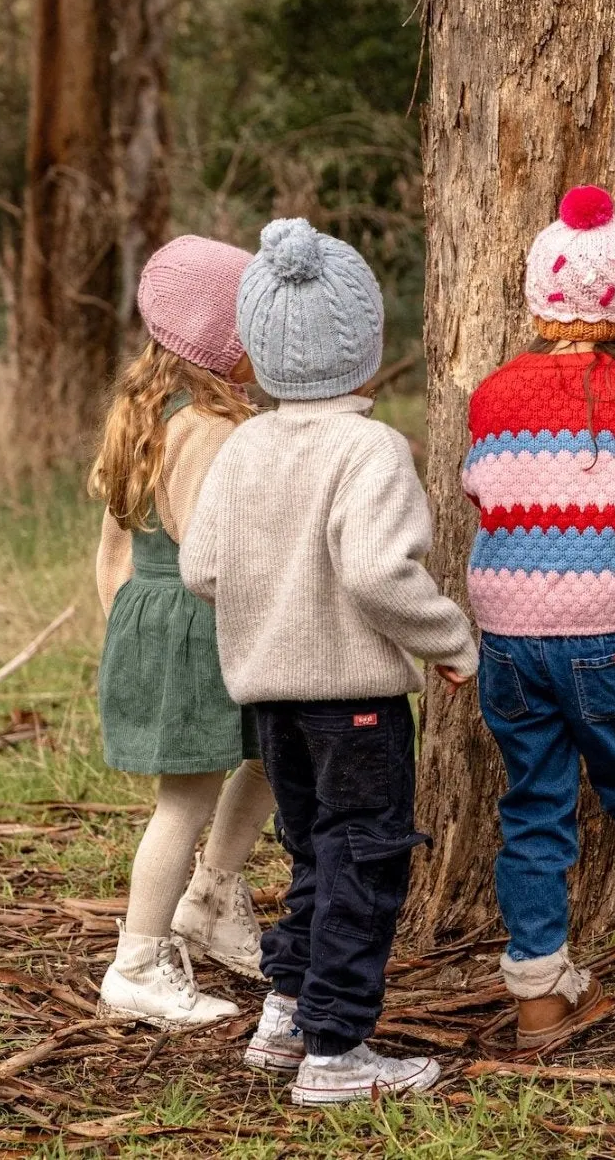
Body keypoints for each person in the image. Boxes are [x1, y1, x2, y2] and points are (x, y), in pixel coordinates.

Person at [181, 218, 476, 1105]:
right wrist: (451, 641)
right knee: (365, 858)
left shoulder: (243, 447)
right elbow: (380, 574)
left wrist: (268, 607)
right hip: (354, 700)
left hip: (271, 704)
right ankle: (340, 1049)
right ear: (362, 348)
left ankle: (289, 1009)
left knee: (314, 853)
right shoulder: (369, 448)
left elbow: (201, 567)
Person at [462, 184, 615, 1049]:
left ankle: (537, 994)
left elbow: (476, 485)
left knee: (533, 807)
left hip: (509, 640)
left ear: (540, 296)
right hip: (607, 636)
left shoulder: (491, 398)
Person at [91, 234, 276, 1030]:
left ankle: (212, 894)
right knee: (187, 795)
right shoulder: (208, 426)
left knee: (270, 748)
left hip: (150, 614)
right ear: (226, 346)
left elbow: (114, 548)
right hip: (199, 624)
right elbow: (211, 548)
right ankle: (135, 960)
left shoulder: (142, 415)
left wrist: (125, 626)